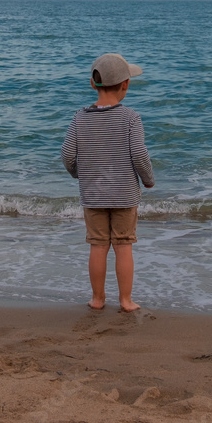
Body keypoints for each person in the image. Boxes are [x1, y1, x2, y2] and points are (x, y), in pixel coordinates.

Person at [61, 53, 155, 312]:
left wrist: (80, 174)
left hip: (93, 195)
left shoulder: (80, 117)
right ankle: (125, 301)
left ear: (93, 84)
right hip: (125, 196)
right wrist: (148, 179)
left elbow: (67, 154)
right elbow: (139, 154)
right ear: (126, 85)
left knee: (98, 246)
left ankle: (98, 299)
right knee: (124, 246)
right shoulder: (130, 118)